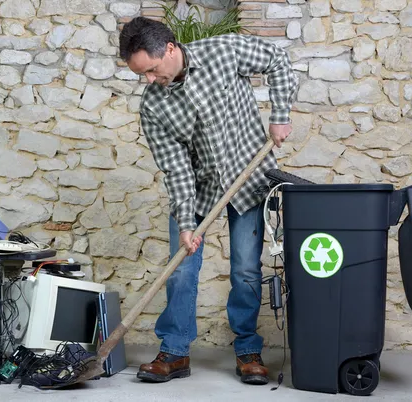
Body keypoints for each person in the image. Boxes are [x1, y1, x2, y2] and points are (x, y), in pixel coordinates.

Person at [119, 17, 299, 385]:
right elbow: (176, 168)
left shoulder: (223, 51)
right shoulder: (153, 106)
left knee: (246, 271)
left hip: (248, 179)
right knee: (182, 268)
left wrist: (280, 117)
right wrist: (187, 223)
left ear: (170, 49)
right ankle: (175, 351)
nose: (150, 80)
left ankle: (248, 349)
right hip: (198, 190)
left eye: (152, 70)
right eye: (143, 75)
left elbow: (278, 62)